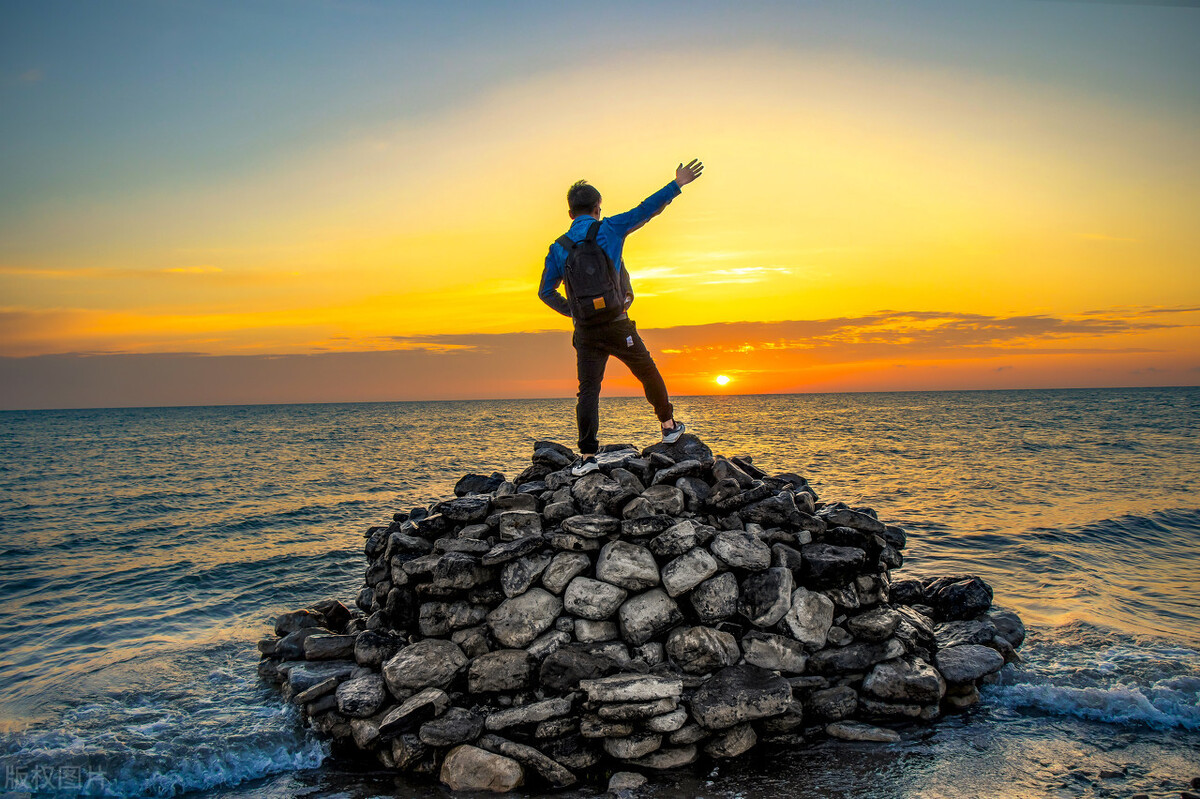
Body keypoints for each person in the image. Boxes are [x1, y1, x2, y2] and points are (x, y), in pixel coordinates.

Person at [538, 159, 705, 477]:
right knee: (646, 370)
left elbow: (546, 292)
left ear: (571, 212)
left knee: (588, 390)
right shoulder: (610, 228)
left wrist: (573, 311)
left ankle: (587, 456)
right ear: (598, 207)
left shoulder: (559, 248)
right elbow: (646, 209)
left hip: (586, 330)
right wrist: (677, 183)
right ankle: (668, 425)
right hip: (617, 322)